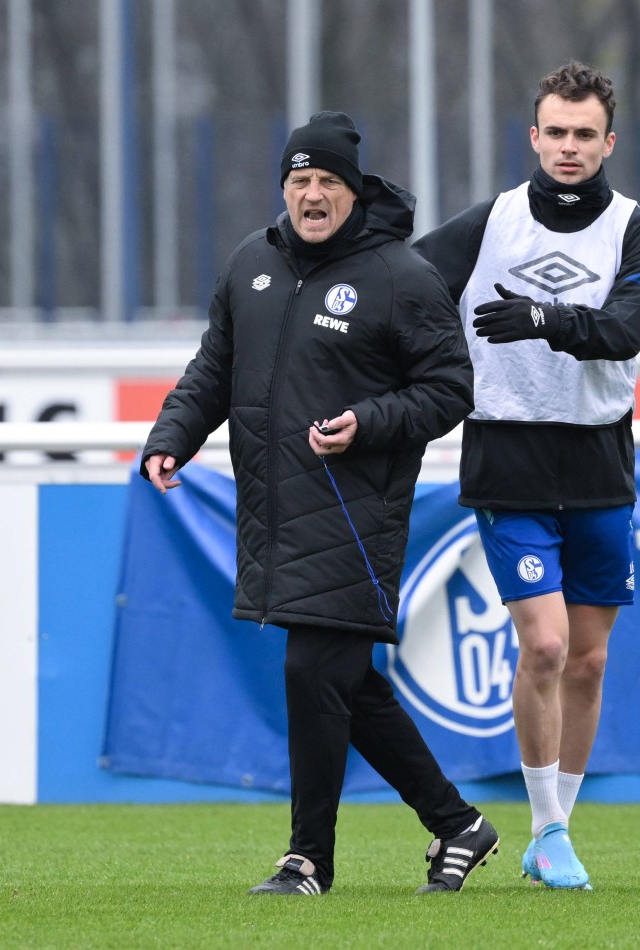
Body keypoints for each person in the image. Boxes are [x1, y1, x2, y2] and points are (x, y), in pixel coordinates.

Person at [141, 111, 497, 896]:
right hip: (272, 510)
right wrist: (174, 434)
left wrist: (367, 423)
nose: (311, 194)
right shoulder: (251, 265)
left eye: (327, 181)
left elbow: (449, 389)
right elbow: (214, 368)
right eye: (299, 180)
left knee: (313, 669)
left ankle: (309, 860)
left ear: (353, 192)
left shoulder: (403, 277)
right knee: (341, 681)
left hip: (353, 510)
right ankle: (456, 823)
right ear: (284, 190)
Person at [414, 61, 640, 890]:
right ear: (533, 136)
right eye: (554, 132)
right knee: (547, 644)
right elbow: (407, 289)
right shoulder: (490, 224)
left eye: (583, 134)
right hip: (508, 454)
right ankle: (548, 827)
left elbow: (625, 330)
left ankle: (554, 833)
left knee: (590, 662)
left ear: (608, 142)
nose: (567, 146)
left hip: (598, 459)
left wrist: (542, 318)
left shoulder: (637, 230)